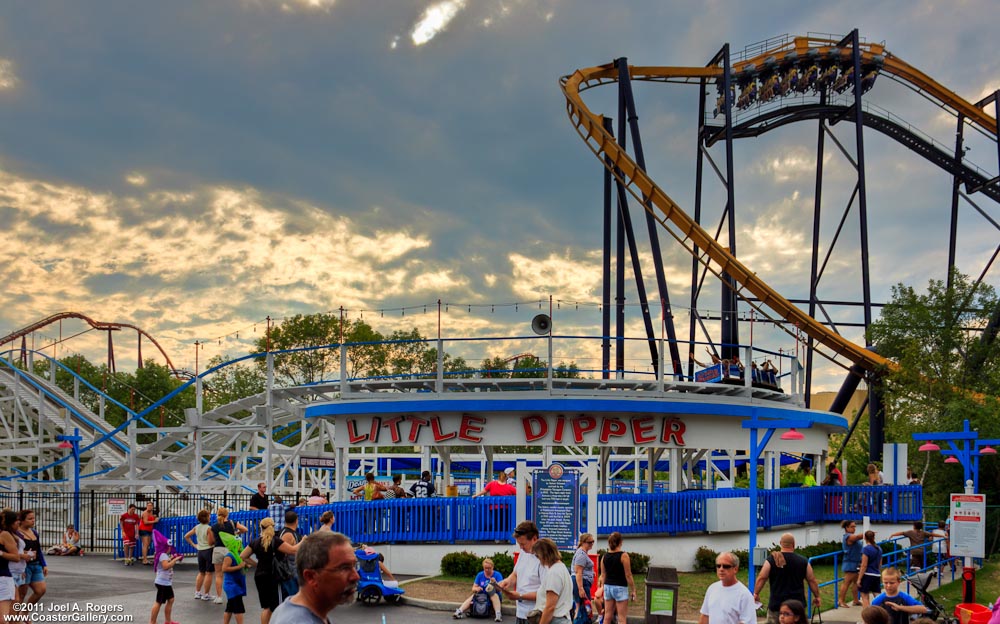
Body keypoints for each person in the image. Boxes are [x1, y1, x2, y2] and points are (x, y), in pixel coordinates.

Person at [269, 531, 360, 624]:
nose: (356, 576)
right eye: (344, 568)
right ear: (311, 577)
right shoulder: (297, 621)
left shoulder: (292, 610)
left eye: (354, 565)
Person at [241, 517, 300, 624]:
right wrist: (304, 540)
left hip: (260, 576)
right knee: (277, 606)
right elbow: (293, 550)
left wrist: (256, 564)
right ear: (273, 527)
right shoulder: (276, 541)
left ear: (261, 527)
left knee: (266, 607)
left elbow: (243, 556)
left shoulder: (255, 542)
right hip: (273, 576)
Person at [752, 533, 820, 624]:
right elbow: (812, 580)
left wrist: (756, 593)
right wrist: (817, 596)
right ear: (794, 544)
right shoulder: (803, 561)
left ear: (780, 543)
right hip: (797, 607)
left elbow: (762, 577)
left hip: (777, 605)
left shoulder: (771, 560)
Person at [498, 521, 545, 624]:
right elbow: (516, 574)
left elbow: (545, 593)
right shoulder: (523, 553)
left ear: (534, 539)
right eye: (519, 544)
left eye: (523, 544)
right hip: (520, 612)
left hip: (536, 615)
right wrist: (507, 581)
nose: (521, 548)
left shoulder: (543, 560)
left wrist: (520, 596)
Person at [699, 551, 757, 624]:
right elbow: (705, 615)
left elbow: (746, 621)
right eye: (718, 566)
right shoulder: (712, 589)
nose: (721, 569)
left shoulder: (744, 595)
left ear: (735, 569)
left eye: (726, 566)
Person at [212, 507, 249, 604]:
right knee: (232, 572)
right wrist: (236, 533)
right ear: (227, 514)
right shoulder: (233, 523)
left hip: (218, 550)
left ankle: (219, 597)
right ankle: (233, 595)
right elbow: (245, 529)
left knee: (218, 575)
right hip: (230, 550)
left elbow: (211, 540)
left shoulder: (214, 526)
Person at [2, 510, 34, 621]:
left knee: (17, 600)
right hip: (10, 571)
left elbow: (16, 552)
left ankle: (20, 617)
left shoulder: (15, 534)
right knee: (14, 602)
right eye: (16, 521)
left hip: (19, 570)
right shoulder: (5, 534)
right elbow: (14, 555)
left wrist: (25, 559)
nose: (18, 523)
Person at [534, 537, 574, 624]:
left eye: (537, 555)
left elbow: (550, 607)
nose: (538, 558)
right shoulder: (562, 568)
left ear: (544, 555)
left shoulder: (554, 573)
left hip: (556, 619)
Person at [601, 531, 635, 624]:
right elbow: (628, 575)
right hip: (620, 586)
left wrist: (602, 588)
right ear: (620, 542)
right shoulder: (624, 556)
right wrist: (633, 590)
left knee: (607, 617)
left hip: (608, 586)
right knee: (621, 618)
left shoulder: (604, 556)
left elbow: (603, 575)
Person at [149, 530, 183, 624]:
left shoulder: (162, 554)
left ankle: (168, 621)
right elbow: (165, 566)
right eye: (169, 547)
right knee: (158, 602)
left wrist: (172, 559)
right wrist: (175, 559)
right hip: (162, 583)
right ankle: (152, 622)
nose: (170, 549)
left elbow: (166, 563)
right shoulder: (163, 555)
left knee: (171, 599)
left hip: (165, 582)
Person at [184, 509, 216, 601]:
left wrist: (194, 545)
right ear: (206, 517)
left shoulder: (197, 527)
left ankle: (197, 592)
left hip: (200, 551)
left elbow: (186, 536)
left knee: (201, 572)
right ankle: (206, 594)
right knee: (209, 573)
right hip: (208, 551)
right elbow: (210, 542)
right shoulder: (209, 528)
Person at [16, 510, 46, 605]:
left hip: (36, 565)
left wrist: (44, 564)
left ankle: (25, 611)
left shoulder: (34, 532)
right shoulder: (17, 533)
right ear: (22, 520)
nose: (33, 520)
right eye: (30, 519)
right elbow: (14, 550)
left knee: (41, 590)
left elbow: (39, 550)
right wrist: (24, 553)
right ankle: (14, 618)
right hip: (24, 566)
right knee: (21, 594)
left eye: (33, 518)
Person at [220, 532, 250, 624]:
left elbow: (240, 565)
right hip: (232, 585)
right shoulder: (229, 556)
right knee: (238, 608)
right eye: (239, 544)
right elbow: (224, 569)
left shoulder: (237, 554)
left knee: (230, 607)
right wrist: (240, 566)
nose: (241, 546)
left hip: (235, 584)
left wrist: (245, 566)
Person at [278, 510, 303, 601]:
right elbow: (285, 551)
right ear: (296, 520)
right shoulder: (288, 534)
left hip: (292, 571)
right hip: (289, 573)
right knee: (292, 601)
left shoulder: (287, 532)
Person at [571, 533, 596, 624]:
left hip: (582, 582)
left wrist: (591, 573)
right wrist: (581, 588)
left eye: (592, 542)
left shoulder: (582, 553)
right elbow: (578, 572)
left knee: (580, 607)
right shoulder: (581, 554)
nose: (591, 544)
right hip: (582, 583)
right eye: (589, 542)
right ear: (583, 542)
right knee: (584, 608)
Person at [839, 519, 863, 608]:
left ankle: (856, 600)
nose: (854, 528)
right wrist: (867, 534)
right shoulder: (848, 536)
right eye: (852, 527)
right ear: (846, 528)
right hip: (850, 563)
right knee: (847, 582)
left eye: (855, 526)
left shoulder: (852, 536)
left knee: (857, 582)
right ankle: (841, 601)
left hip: (856, 562)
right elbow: (856, 537)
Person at [858, 530, 882, 607]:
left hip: (867, 575)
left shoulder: (866, 549)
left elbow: (864, 565)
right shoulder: (879, 549)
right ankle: (881, 614)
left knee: (865, 597)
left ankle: (867, 617)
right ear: (874, 537)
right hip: (876, 574)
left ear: (865, 538)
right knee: (878, 597)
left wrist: (859, 579)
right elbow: (880, 564)